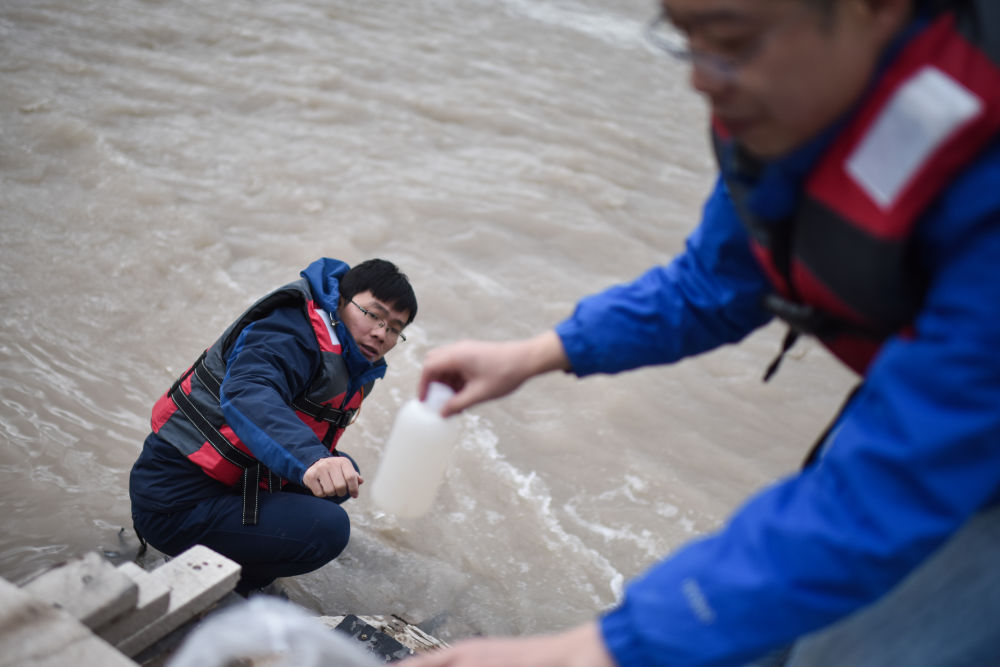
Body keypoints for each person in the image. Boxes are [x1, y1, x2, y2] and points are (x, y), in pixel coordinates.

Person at [407, 0, 1000, 665]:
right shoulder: (792, 118)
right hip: (922, 409)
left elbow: (894, 483)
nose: (702, 79)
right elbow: (714, 282)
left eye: (732, 42)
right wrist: (536, 353)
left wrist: (587, 648)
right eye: (687, 39)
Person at [129, 257, 417, 595]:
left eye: (396, 328)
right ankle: (236, 589)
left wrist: (320, 463)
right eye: (373, 314)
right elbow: (248, 394)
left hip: (231, 484)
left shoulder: (348, 357)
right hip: (175, 500)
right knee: (328, 528)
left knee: (341, 478)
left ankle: (239, 565)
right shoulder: (287, 333)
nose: (382, 333)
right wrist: (313, 459)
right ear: (341, 300)